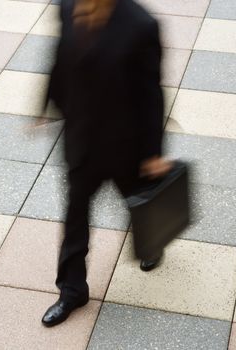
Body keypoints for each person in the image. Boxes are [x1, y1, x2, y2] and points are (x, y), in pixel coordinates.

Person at [41, 0, 172, 327]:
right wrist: (48, 103)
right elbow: (60, 58)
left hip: (125, 144)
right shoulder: (67, 6)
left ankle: (151, 244)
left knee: (136, 200)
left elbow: (152, 94)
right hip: (82, 140)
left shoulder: (141, 25)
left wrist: (154, 152)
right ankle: (72, 290)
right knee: (75, 215)